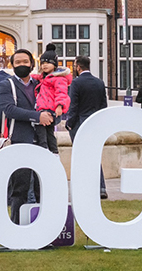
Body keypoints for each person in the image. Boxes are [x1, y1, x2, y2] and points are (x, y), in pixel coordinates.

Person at [0, 49, 54, 224]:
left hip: (42, 142)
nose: (22, 65)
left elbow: (53, 105)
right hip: (19, 141)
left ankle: (40, 227)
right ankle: (15, 227)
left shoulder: (41, 84)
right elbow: (9, 109)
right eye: (18, 62)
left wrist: (52, 114)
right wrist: (37, 116)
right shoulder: (6, 85)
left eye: (25, 62)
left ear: (32, 64)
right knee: (19, 188)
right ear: (12, 65)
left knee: (42, 188)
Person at [66, 55, 108, 198]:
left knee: (81, 156)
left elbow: (73, 106)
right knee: (94, 155)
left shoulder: (76, 83)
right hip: (95, 123)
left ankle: (84, 187)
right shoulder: (99, 82)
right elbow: (104, 106)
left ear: (78, 67)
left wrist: (69, 124)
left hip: (80, 123)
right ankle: (101, 187)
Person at [32, 44, 71, 154]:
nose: (44, 65)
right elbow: (34, 77)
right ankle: (54, 154)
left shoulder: (58, 78)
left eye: (48, 63)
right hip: (43, 109)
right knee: (49, 134)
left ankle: (44, 154)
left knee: (41, 135)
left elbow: (62, 93)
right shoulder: (44, 78)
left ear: (54, 64)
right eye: (42, 63)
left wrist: (59, 106)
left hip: (48, 110)